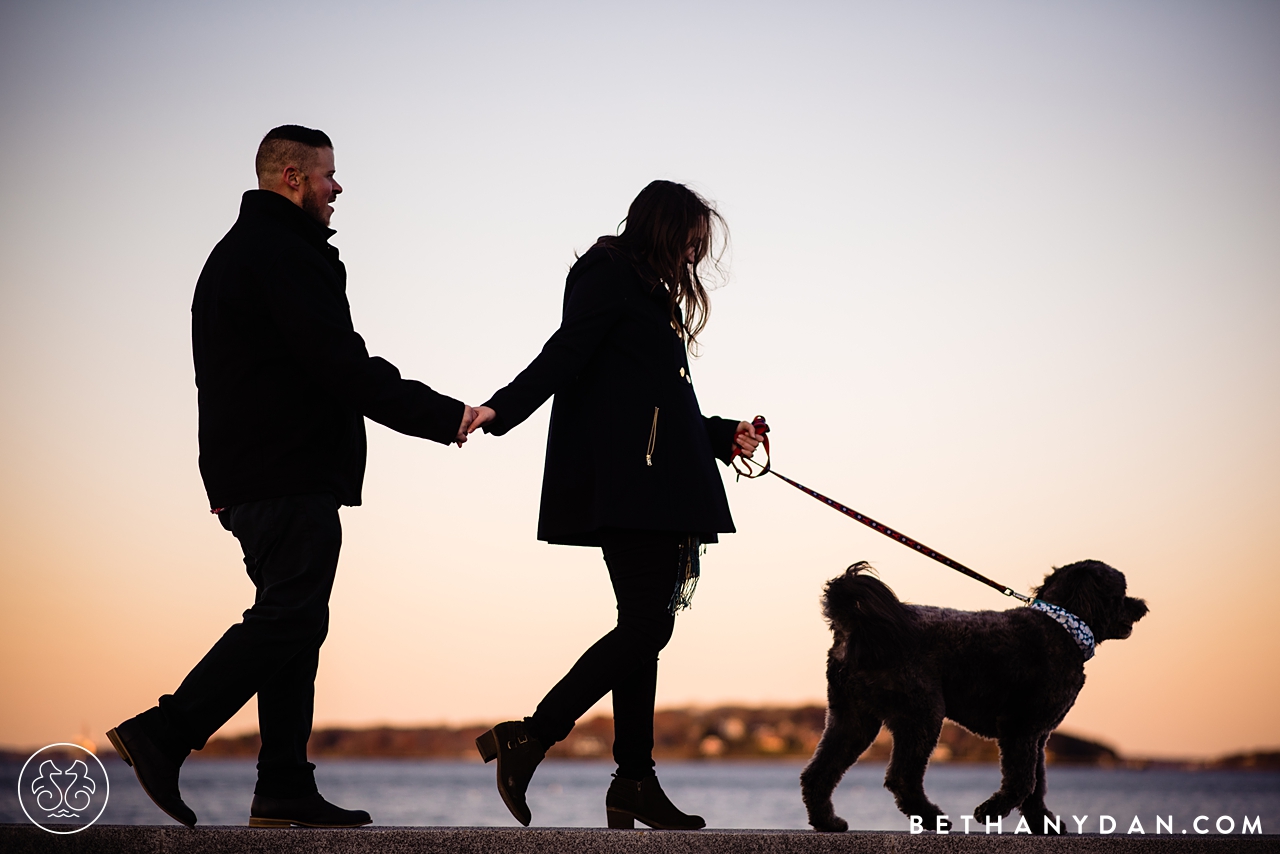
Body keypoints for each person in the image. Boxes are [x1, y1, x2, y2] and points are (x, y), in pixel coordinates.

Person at [107, 125, 477, 829]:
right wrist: (445, 415)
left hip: (251, 472)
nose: (339, 188)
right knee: (293, 615)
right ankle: (165, 732)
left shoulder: (233, 256)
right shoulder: (284, 254)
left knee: (294, 620)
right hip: (284, 470)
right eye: (329, 175)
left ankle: (282, 786)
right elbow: (340, 363)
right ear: (291, 177)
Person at [468, 180, 762, 830]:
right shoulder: (606, 273)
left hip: (657, 481)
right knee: (648, 628)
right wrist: (501, 409)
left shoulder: (649, 289)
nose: (694, 255)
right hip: (633, 484)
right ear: (663, 226)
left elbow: (663, 400)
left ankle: (633, 780)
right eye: (690, 240)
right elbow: (566, 355)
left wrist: (723, 434)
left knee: (643, 629)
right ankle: (533, 736)